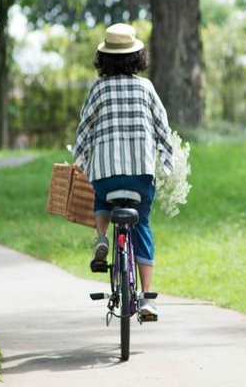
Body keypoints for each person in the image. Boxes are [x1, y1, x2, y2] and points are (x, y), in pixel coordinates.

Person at [71, 23, 174, 320]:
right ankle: (147, 299)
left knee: (101, 199)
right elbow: (163, 131)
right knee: (142, 225)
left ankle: (102, 237)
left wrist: (78, 160)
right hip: (141, 176)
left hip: (106, 176)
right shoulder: (146, 88)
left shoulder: (98, 89)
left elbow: (84, 131)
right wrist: (167, 164)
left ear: (104, 58)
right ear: (136, 57)